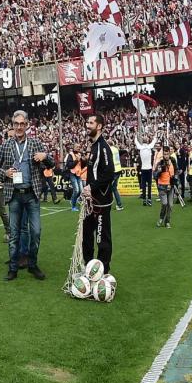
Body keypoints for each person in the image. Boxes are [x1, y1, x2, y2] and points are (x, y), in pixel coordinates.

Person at [0, 109, 51, 281]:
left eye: (22, 124)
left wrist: (45, 156)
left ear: (27, 125)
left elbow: (51, 164)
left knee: (36, 232)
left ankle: (32, 264)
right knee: (14, 235)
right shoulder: (5, 145)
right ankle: (13, 268)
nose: (19, 127)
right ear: (13, 125)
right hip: (14, 196)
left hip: (32, 195)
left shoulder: (35, 143)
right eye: (16, 124)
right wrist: (5, 173)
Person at [82, 113, 116, 274]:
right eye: (87, 123)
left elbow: (109, 173)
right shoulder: (94, 146)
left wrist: (92, 187)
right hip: (90, 201)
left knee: (102, 237)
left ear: (99, 126)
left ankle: (103, 271)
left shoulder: (103, 147)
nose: (87, 125)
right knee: (86, 235)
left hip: (101, 201)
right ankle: (88, 268)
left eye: (90, 123)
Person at [154, 149, 176, 228]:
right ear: (163, 155)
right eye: (165, 154)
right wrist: (159, 171)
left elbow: (175, 172)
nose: (166, 156)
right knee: (164, 203)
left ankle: (167, 221)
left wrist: (174, 181)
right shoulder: (160, 163)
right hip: (162, 186)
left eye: (167, 154)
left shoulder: (173, 161)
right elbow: (155, 175)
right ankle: (161, 218)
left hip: (170, 186)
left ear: (169, 154)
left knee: (170, 205)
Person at [135, 131, 157, 206]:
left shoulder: (140, 147)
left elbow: (136, 141)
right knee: (149, 185)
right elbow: (154, 140)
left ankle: (144, 199)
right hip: (148, 169)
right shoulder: (150, 146)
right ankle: (149, 199)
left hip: (144, 169)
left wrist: (136, 135)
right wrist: (154, 134)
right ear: (147, 141)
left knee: (144, 185)